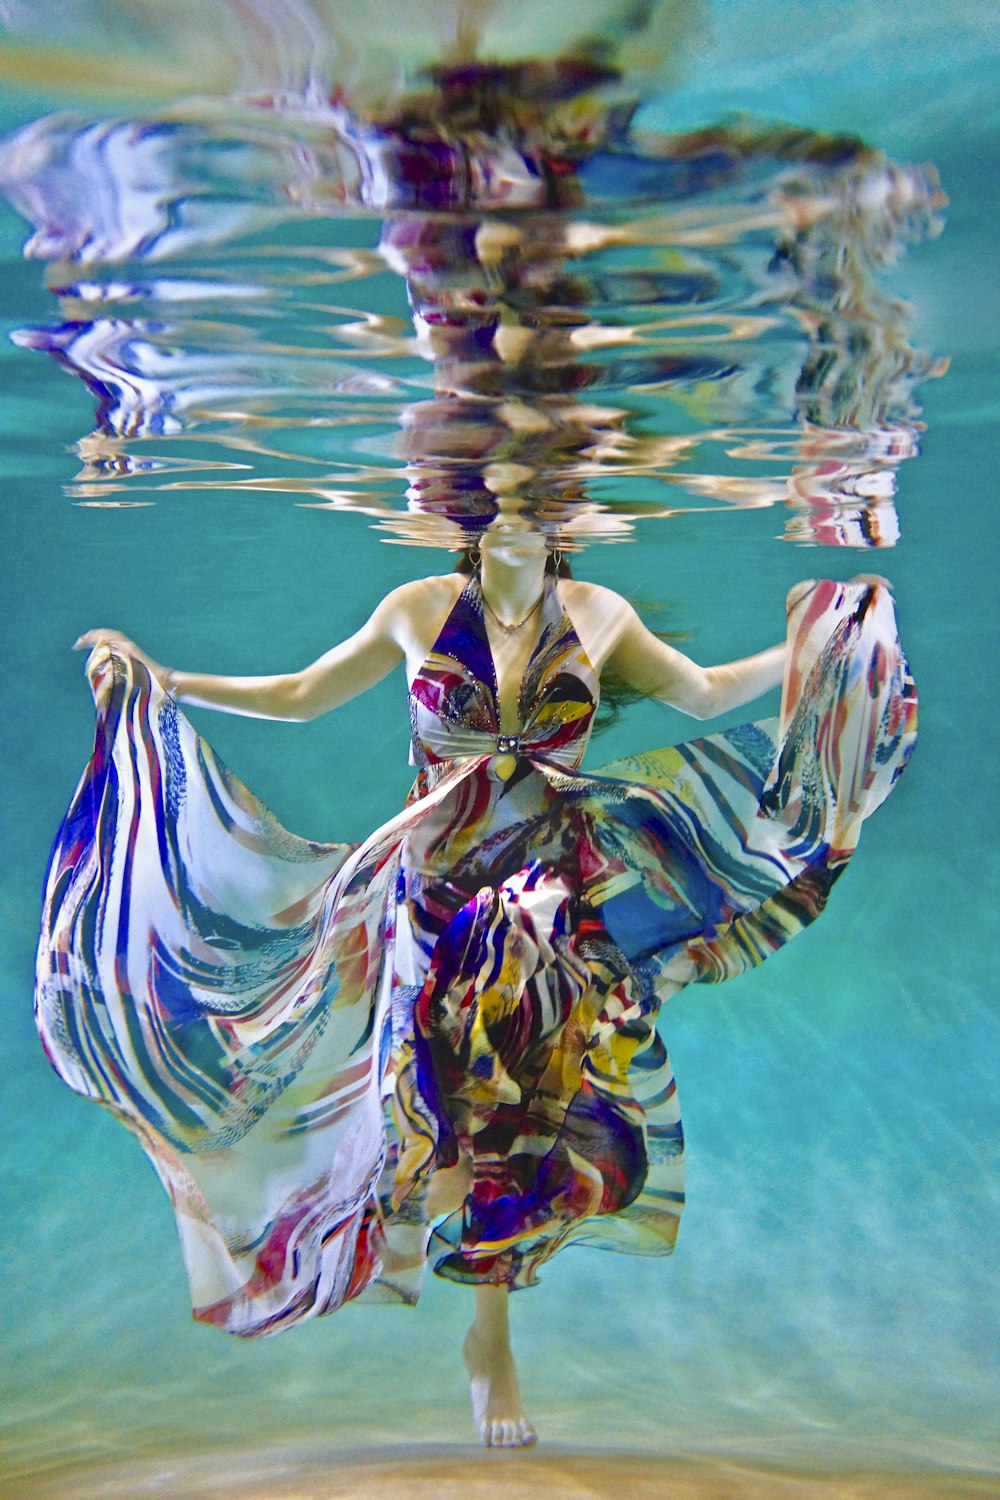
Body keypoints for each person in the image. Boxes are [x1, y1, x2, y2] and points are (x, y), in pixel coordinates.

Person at [40, 512, 915, 1449]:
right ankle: (370, 1227)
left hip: (544, 899)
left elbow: (702, 696)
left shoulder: (599, 611)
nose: (515, 500)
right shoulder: (418, 607)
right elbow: (300, 694)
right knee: (428, 1129)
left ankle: (489, 1338)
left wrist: (820, 637)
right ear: (464, 505)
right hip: (427, 894)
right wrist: (164, 681)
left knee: (516, 1112)